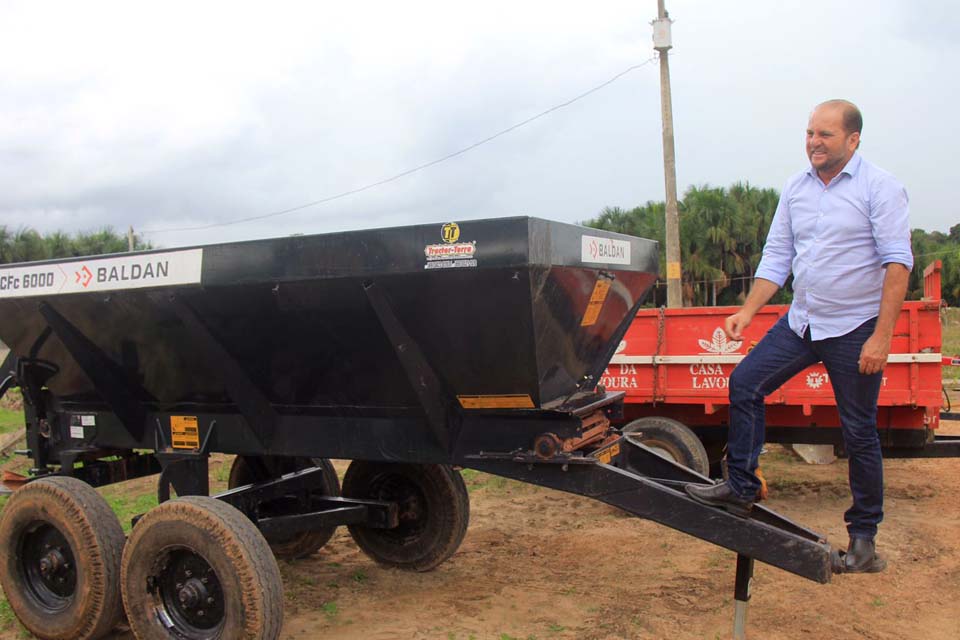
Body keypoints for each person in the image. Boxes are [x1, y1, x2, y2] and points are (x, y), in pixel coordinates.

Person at [685, 99, 912, 573]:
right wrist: (747, 313)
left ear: (853, 140)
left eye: (825, 135)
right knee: (746, 384)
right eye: (810, 133)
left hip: (855, 328)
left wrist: (882, 338)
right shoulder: (796, 188)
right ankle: (741, 487)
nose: (813, 143)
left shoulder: (881, 188)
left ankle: (864, 539)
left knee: (859, 432)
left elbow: (897, 264)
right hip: (802, 322)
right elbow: (777, 257)